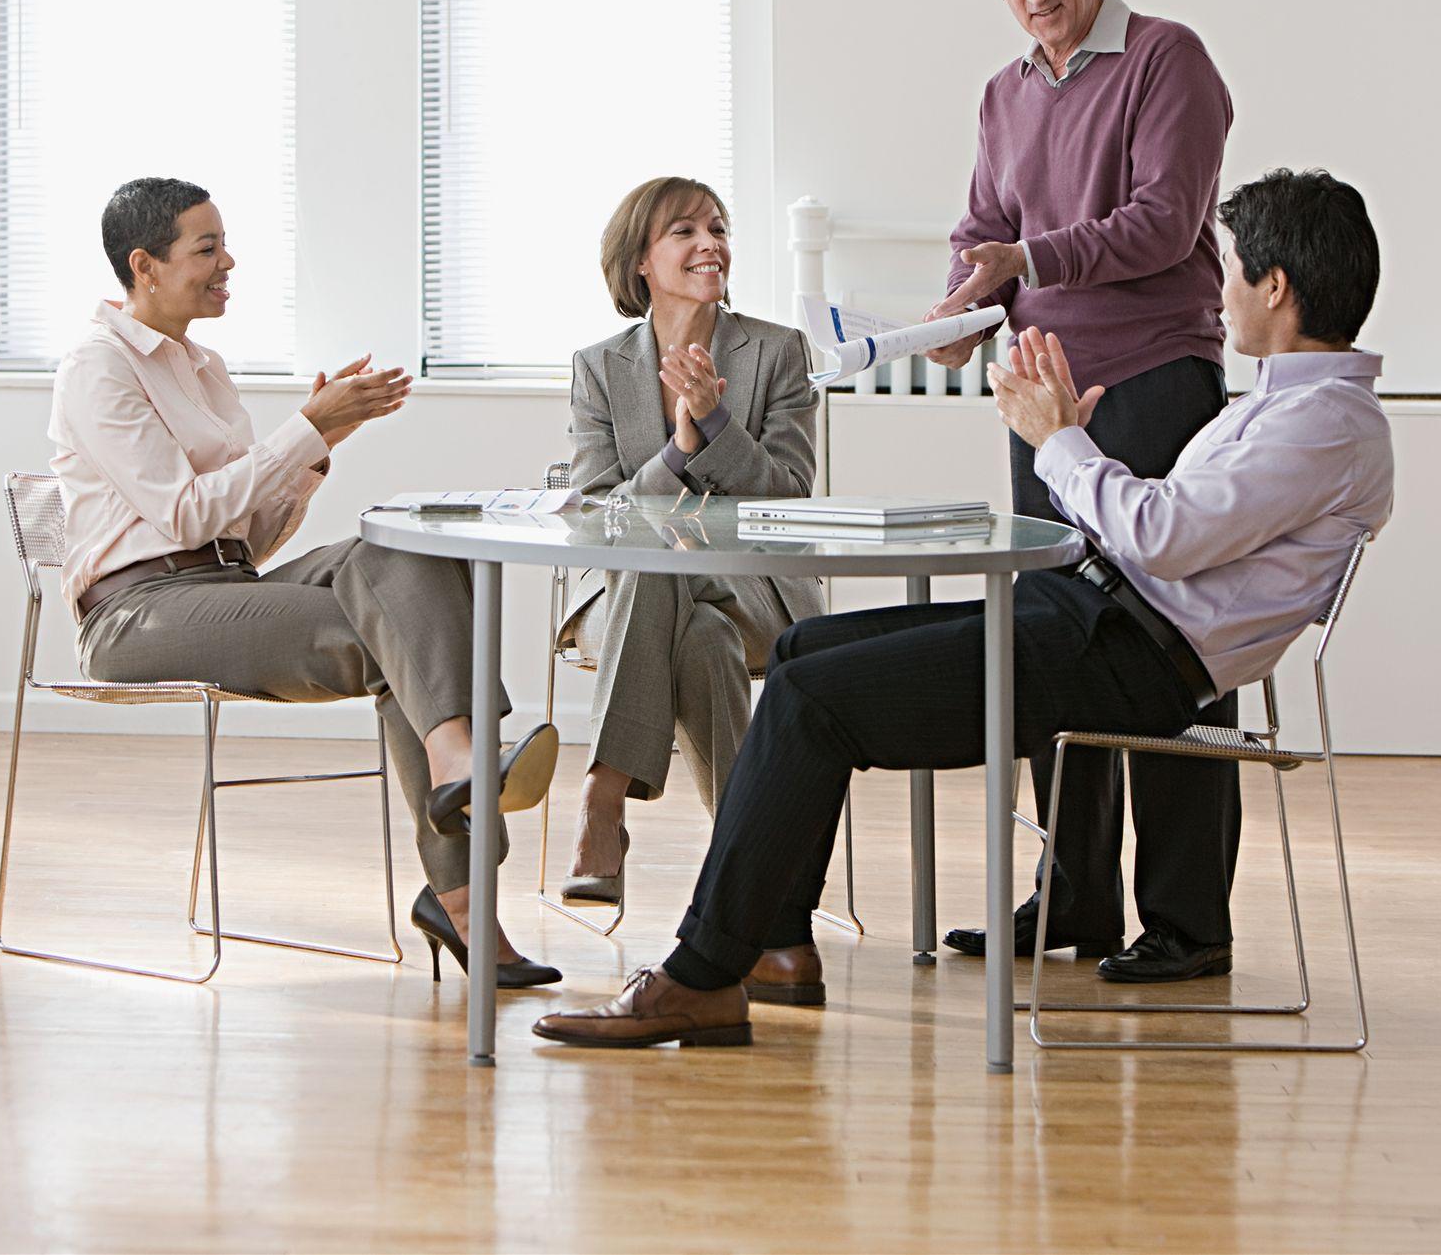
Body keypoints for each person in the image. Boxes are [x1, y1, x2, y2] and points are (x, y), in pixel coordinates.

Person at [530, 167, 1393, 1047]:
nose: (1220, 289)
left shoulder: (1319, 423)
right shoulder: (1282, 408)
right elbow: (1166, 531)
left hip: (1127, 657)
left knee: (809, 703)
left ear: (1276, 288)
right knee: (802, 655)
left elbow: (1161, 536)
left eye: (1233, 268)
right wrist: (1077, 442)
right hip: (1091, 620)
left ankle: (698, 975)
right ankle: (777, 945)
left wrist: (1058, 442)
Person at [49, 177, 560, 988]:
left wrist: (325, 444)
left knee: (408, 553)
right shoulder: (96, 368)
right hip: (138, 615)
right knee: (408, 635)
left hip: (223, 587)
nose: (227, 263)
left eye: (225, 245)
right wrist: (304, 427)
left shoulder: (202, 367)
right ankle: (462, 877)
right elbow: (182, 518)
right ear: (144, 265)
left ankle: (456, 774)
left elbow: (247, 535)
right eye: (206, 248)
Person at [924, 0, 1244, 980]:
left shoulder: (1168, 59)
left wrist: (1031, 265)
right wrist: (960, 312)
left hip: (1157, 380)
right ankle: (1073, 897)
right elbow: (984, 229)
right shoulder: (1003, 95)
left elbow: (1167, 221)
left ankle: (1190, 919)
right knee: (1057, 640)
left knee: (1170, 643)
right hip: (1041, 392)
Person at [556, 177, 824, 904]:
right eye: (684, 231)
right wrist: (678, 448)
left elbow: (790, 493)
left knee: (665, 565)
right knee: (695, 630)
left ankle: (602, 798)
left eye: (718, 228)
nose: (711, 244)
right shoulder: (597, 367)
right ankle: (751, 867)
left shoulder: (777, 352)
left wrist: (714, 426)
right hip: (636, 606)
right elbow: (599, 514)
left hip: (756, 592)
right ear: (640, 260)